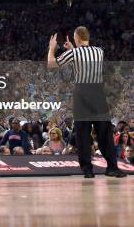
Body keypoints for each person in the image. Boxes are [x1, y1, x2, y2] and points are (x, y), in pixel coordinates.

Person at [48, 27, 126, 178]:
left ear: (76, 38)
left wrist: (52, 49)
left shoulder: (74, 53)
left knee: (82, 133)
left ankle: (88, 170)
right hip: (98, 94)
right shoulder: (99, 51)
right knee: (105, 132)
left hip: (81, 94)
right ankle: (112, 167)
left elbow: (52, 64)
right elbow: (85, 61)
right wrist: (73, 49)